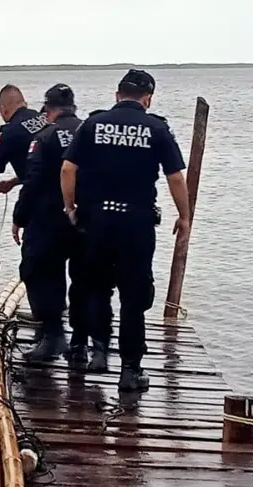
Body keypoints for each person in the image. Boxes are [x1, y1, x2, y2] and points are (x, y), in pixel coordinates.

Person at [60, 69, 191, 392]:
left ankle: (99, 352)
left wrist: (70, 207)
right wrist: (184, 215)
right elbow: (175, 177)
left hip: (97, 220)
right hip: (136, 222)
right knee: (134, 296)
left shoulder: (93, 124)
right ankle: (130, 371)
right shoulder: (157, 128)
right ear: (148, 98)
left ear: (118, 95)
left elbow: (67, 168)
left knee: (97, 287)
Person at [11, 83, 91, 363]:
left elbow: (32, 182)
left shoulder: (44, 138)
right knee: (83, 280)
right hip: (85, 220)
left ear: (48, 110)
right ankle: (81, 344)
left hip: (48, 220)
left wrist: (18, 218)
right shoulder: (89, 130)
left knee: (39, 273)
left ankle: (53, 335)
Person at [0, 84, 49, 194]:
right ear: (24, 104)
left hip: (39, 194)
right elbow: (43, 167)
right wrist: (12, 182)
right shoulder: (44, 118)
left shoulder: (10, 133)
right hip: (63, 187)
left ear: (3, 109)